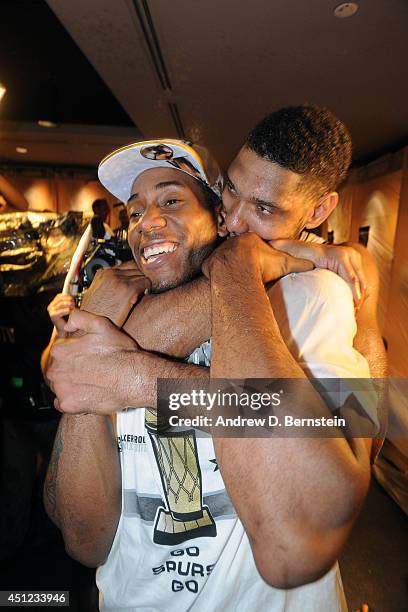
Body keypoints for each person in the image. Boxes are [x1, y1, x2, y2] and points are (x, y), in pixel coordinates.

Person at [45, 108, 383, 611]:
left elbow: (361, 450)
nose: (238, 220)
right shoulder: (113, 300)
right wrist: (76, 343)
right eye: (134, 211)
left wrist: (139, 380)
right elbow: (84, 541)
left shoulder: (312, 294)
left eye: (174, 200)